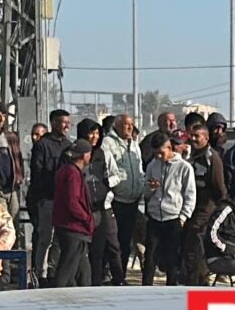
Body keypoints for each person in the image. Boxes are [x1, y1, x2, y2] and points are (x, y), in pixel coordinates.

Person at [140, 133, 196, 285]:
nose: (158, 156)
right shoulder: (152, 165)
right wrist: (151, 188)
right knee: (150, 258)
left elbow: (190, 194)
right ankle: (145, 288)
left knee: (172, 259)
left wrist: (183, 217)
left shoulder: (184, 167)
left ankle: (171, 289)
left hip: (173, 218)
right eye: (155, 153)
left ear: (170, 148)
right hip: (155, 217)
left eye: (161, 153)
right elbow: (145, 191)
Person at [45, 139, 100, 287]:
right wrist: (87, 218)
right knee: (67, 268)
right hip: (74, 227)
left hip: (69, 226)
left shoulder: (65, 170)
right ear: (85, 155)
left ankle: (84, 292)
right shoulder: (72, 174)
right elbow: (72, 202)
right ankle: (58, 293)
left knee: (83, 271)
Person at [26, 106, 73, 280]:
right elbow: (37, 173)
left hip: (64, 200)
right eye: (63, 122)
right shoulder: (42, 145)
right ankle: (41, 273)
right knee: (44, 237)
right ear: (53, 123)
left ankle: (55, 271)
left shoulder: (69, 145)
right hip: (47, 199)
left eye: (68, 122)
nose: (66, 126)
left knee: (60, 239)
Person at [100, 115, 145, 287]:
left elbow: (139, 169)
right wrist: (116, 185)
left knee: (125, 242)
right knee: (113, 242)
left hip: (133, 201)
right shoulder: (108, 143)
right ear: (117, 126)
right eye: (126, 125)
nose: (129, 128)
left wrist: (141, 185)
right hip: (116, 200)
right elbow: (107, 170)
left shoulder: (134, 145)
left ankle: (121, 275)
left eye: (131, 125)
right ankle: (107, 274)